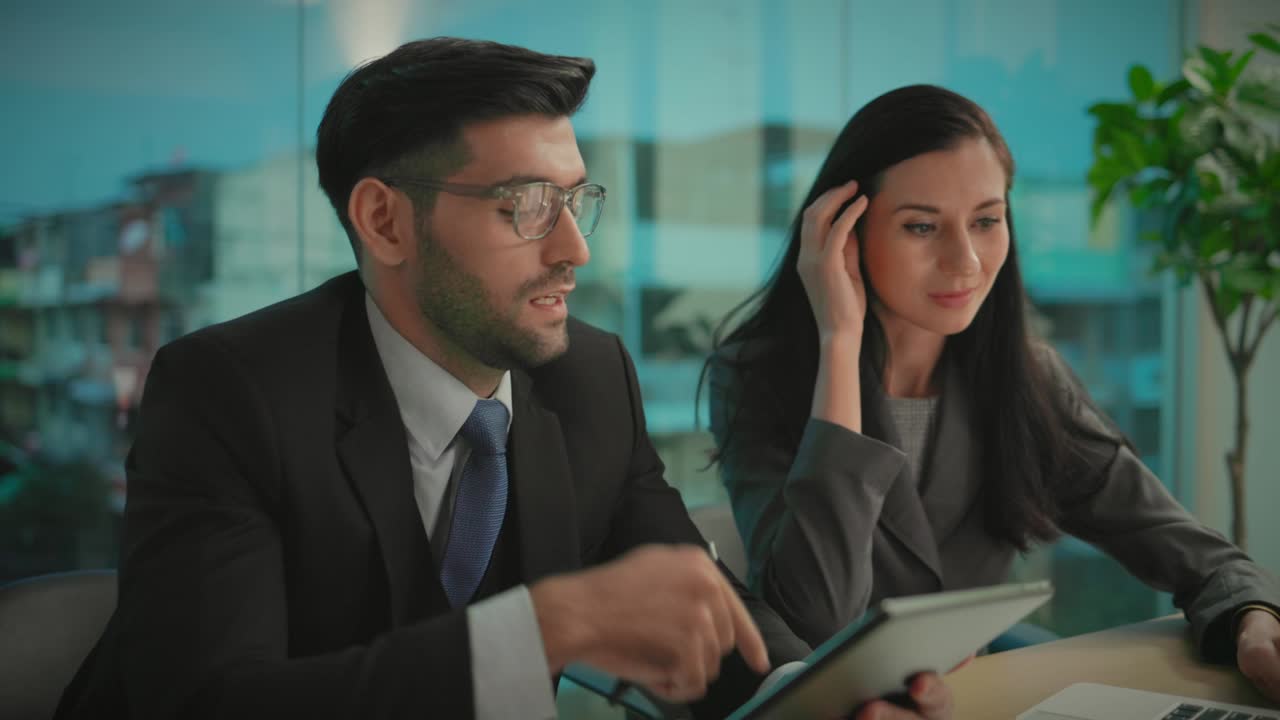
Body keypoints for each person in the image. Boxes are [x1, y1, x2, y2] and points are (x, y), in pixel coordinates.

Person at [53, 40, 955, 720]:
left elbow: (696, 597)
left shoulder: (591, 378)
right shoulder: (229, 393)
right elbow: (213, 703)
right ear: (384, 221)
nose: (574, 249)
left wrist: (813, 694)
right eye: (524, 207)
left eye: (575, 199)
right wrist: (546, 627)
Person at [705, 84, 1280, 701]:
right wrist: (839, 341)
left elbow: (1192, 551)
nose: (968, 263)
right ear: (843, 234)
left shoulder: (1025, 378)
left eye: (986, 221)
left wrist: (1254, 615)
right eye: (922, 226)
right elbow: (818, 621)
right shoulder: (756, 374)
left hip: (975, 679)